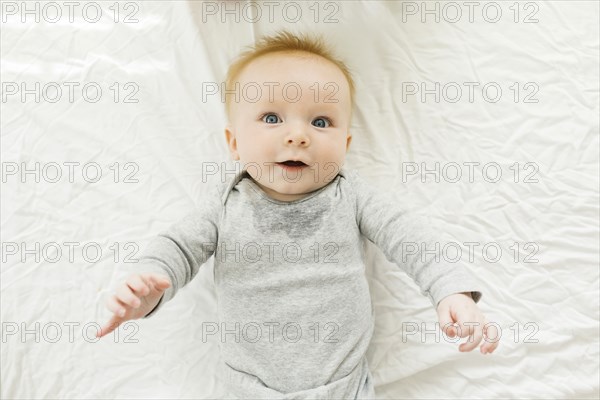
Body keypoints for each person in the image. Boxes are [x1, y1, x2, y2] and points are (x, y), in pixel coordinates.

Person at [97, 30, 499, 399]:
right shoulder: (225, 204)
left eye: (320, 121)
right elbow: (178, 248)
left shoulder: (351, 195)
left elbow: (411, 238)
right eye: (271, 118)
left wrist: (452, 291)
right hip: (251, 388)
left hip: (344, 387)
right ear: (234, 142)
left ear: (345, 143)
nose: (297, 134)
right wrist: (148, 288)